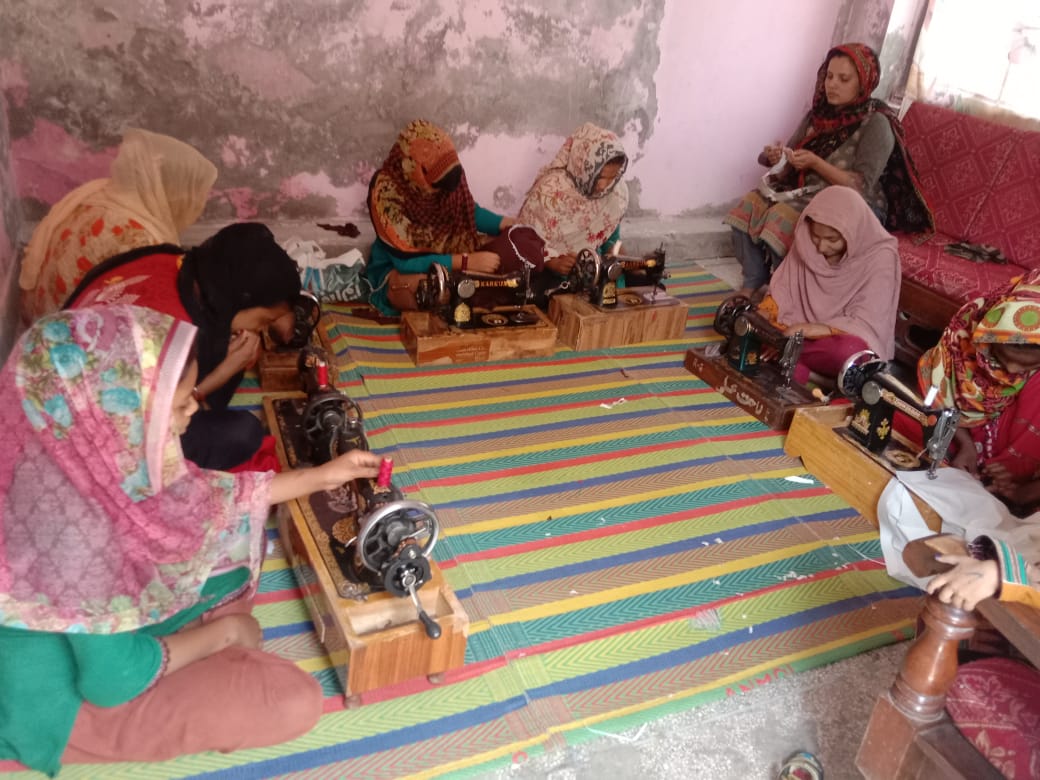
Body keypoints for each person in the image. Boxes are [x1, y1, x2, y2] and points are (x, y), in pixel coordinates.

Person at [0, 305, 382, 776]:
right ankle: (199, 649)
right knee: (291, 700)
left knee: (233, 538)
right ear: (116, 411)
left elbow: (204, 497)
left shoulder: (67, 453)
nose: (192, 413)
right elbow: (111, 683)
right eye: (178, 404)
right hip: (57, 703)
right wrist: (223, 634)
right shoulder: (79, 535)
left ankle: (195, 644)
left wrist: (323, 475)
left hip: (96, 637)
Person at [64, 222, 302, 471]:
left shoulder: (173, 261)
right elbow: (149, 425)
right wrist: (221, 375)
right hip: (88, 443)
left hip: (65, 365)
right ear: (240, 299)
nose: (262, 329)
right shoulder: (172, 336)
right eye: (264, 320)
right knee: (242, 433)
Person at [724, 43, 932, 296]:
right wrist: (776, 156)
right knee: (748, 206)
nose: (832, 85)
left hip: (855, 204)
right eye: (829, 76)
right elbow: (789, 160)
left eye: (844, 79)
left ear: (864, 83)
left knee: (783, 217)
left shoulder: (876, 122)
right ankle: (753, 282)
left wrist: (815, 163)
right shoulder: (818, 116)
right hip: (808, 193)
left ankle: (784, 293)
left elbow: (860, 186)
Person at [19, 128, 217, 323]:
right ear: (167, 188)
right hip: (67, 331)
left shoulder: (97, 190)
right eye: (192, 194)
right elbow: (145, 320)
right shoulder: (140, 241)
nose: (196, 206)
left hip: (39, 309)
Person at [365, 119, 519, 316]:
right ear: (416, 170)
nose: (442, 196)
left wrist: (502, 223)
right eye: (435, 188)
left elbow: (466, 210)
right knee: (429, 289)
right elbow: (406, 262)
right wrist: (465, 262)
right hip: (399, 267)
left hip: (449, 253)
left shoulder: (448, 169)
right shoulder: (386, 191)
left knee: (510, 255)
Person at [750, 185, 900, 384]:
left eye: (832, 239)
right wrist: (766, 313)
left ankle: (787, 356)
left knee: (849, 353)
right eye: (816, 236)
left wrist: (813, 330)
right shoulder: (807, 244)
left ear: (852, 232)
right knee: (750, 322)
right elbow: (783, 291)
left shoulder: (880, 257)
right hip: (792, 331)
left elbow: (866, 322)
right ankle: (794, 361)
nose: (821, 247)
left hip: (835, 339)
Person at [917, 269, 1040, 512]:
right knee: (909, 427)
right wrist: (965, 444)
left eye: (1029, 364)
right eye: (1003, 359)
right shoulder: (963, 339)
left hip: (1016, 475)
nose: (1012, 370)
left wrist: (1024, 493)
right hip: (961, 438)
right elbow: (937, 398)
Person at [517, 122, 628, 278]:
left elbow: (613, 241)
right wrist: (554, 263)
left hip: (592, 272)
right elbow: (524, 241)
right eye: (600, 177)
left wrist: (627, 261)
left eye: (612, 178)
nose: (604, 186)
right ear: (583, 165)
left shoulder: (615, 194)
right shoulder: (550, 192)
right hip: (550, 275)